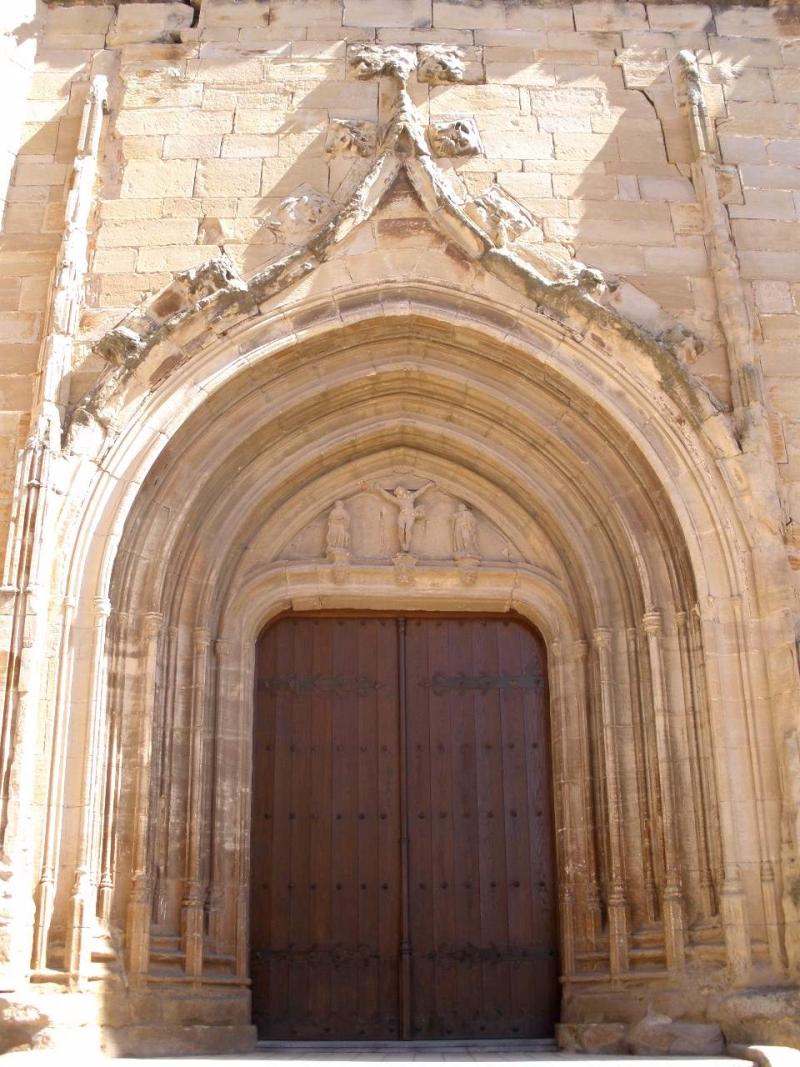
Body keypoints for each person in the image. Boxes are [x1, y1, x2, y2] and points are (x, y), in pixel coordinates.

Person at [372, 481, 434, 553]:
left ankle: (406, 546)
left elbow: (420, 492)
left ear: (404, 490)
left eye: (400, 489)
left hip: (410, 515)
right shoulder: (398, 500)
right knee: (401, 531)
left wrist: (428, 485)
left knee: (408, 530)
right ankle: (402, 546)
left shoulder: (411, 497)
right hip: (402, 516)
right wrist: (380, 489)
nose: (399, 490)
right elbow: (388, 496)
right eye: (397, 490)